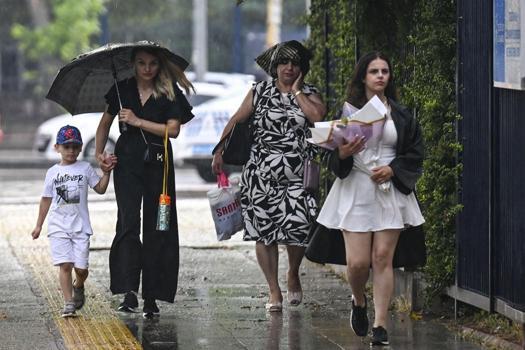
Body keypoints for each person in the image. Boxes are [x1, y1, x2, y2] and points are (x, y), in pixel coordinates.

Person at [316, 51, 425, 346]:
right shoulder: (349, 113)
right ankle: (358, 299)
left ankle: (380, 325)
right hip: (356, 188)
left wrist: (393, 169)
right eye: (374, 71)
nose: (380, 76)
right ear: (363, 76)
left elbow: (415, 153)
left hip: (390, 191)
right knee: (358, 263)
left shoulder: (401, 115)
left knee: (382, 258)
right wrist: (342, 153)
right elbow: (334, 159)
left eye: (385, 71)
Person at [212, 40, 326, 312]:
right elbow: (236, 120)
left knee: (298, 227)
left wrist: (297, 92)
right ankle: (274, 290)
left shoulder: (310, 93)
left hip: (298, 174)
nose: (289, 67)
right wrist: (219, 150)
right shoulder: (259, 91)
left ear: (302, 68)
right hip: (260, 173)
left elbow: (318, 117)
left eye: (294, 62)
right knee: (264, 232)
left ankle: (293, 272)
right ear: (274, 67)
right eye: (283, 62)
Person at [95, 46, 194, 318]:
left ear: (158, 65)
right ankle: (128, 292)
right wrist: (99, 155)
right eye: (141, 63)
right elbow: (104, 124)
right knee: (128, 223)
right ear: (133, 64)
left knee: (159, 225)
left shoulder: (168, 90)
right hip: (126, 165)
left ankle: (152, 295)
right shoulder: (122, 89)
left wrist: (138, 121)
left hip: (158, 166)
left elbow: (173, 130)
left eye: (152, 63)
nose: (147, 69)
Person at [31, 125, 114, 317]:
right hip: (58, 226)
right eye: (66, 146)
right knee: (65, 265)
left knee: (81, 269)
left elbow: (100, 189)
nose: (71, 151)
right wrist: (38, 225)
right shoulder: (52, 172)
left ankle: (80, 284)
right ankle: (68, 303)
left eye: (75, 147)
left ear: (81, 148)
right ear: (57, 147)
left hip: (81, 227)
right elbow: (46, 199)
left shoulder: (85, 168)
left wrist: (106, 172)